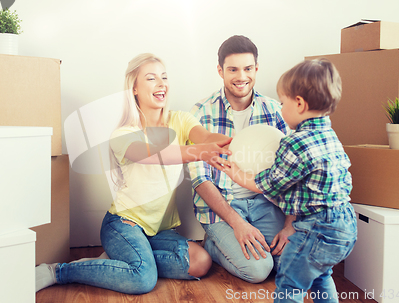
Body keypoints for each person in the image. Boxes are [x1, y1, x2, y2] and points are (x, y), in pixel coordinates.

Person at [36, 53, 233, 294]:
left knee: (201, 262)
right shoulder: (124, 134)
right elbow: (153, 154)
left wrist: (232, 143)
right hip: (124, 224)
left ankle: (121, 262)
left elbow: (206, 137)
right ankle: (58, 271)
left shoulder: (180, 120)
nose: (162, 84)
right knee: (142, 279)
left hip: (160, 230)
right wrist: (200, 152)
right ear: (135, 88)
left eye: (164, 77)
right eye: (151, 78)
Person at [218, 58, 357, 302]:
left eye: (283, 103)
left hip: (315, 228)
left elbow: (268, 184)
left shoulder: (295, 143)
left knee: (289, 284)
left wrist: (235, 173)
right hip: (345, 224)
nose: (280, 110)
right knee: (321, 275)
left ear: (300, 104)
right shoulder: (330, 135)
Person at [188, 35, 292, 283]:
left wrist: (290, 227)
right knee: (258, 270)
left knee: (291, 264)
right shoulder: (201, 113)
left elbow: (292, 174)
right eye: (233, 69)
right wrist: (237, 224)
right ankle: (214, 245)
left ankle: (239, 243)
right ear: (220, 71)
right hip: (224, 208)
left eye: (247, 68)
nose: (241, 76)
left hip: (266, 202)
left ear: (256, 69)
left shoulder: (276, 111)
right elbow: (200, 180)